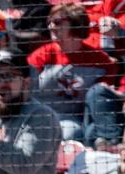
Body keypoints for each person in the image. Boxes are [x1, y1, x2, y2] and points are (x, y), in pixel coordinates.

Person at [28, 2, 117, 141]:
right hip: (40, 118)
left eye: (57, 22)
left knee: (71, 133)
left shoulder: (101, 61)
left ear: (75, 24)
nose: (51, 26)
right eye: (49, 22)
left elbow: (103, 99)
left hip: (77, 121)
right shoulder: (41, 56)